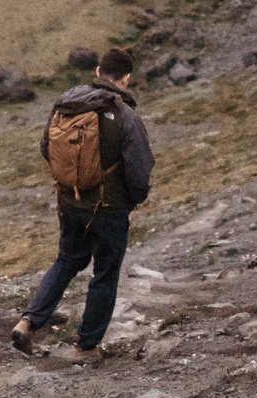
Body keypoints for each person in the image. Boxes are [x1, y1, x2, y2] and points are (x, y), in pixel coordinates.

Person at [13, 46, 154, 364]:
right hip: (109, 211)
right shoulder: (126, 117)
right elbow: (140, 174)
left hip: (69, 202)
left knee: (66, 261)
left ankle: (28, 323)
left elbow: (46, 146)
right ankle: (86, 347)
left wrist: (73, 184)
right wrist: (130, 199)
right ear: (126, 78)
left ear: (98, 71)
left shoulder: (67, 103)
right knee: (105, 274)